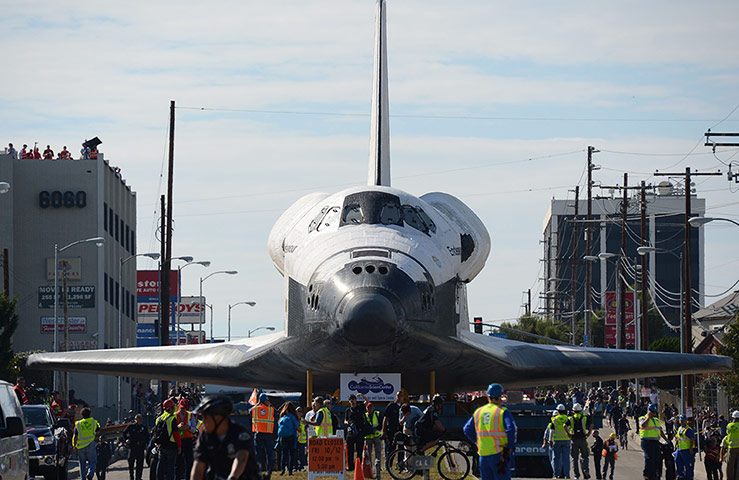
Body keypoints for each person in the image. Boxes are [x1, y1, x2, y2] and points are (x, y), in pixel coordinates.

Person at [191, 395, 259, 480]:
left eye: (206, 417)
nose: (203, 421)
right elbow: (198, 468)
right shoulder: (205, 437)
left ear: (218, 419)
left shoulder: (240, 433)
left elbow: (241, 458)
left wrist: (232, 477)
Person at [463, 383, 517, 480]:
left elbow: (466, 429)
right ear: (501, 397)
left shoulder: (479, 411)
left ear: (488, 397)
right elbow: (511, 429)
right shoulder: (503, 411)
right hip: (499, 454)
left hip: (483, 455)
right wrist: (509, 446)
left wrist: (476, 441)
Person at [155, 398, 182, 480]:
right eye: (173, 408)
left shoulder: (158, 419)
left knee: (160, 464)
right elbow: (176, 434)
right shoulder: (172, 419)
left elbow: (156, 433)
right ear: (169, 408)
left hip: (162, 445)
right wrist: (179, 446)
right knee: (171, 466)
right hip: (171, 445)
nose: (174, 409)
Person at [639, 403, 668, 480]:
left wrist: (666, 439)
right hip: (646, 442)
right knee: (649, 458)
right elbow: (643, 425)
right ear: (648, 411)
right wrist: (648, 417)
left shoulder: (656, 420)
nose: (654, 414)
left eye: (654, 412)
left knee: (657, 459)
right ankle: (646, 474)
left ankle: (655, 475)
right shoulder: (642, 418)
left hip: (655, 442)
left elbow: (660, 431)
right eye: (652, 412)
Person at [250, 393, 275, 478]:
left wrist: (257, 404)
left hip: (259, 434)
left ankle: (258, 469)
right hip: (268, 434)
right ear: (266, 401)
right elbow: (277, 414)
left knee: (258, 453)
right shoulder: (271, 410)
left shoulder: (255, 409)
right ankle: (269, 470)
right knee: (269, 453)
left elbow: (249, 412)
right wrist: (270, 405)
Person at [73, 407, 101, 480]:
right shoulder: (93, 422)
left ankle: (83, 478)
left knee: (82, 464)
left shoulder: (78, 424)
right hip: (90, 444)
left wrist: (74, 446)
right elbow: (98, 431)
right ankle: (90, 473)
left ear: (82, 415)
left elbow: (75, 436)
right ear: (89, 414)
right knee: (92, 461)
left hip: (81, 446)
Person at [343, 393, 369, 469]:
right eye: (350, 400)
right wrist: (348, 423)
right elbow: (345, 420)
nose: (352, 401)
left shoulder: (360, 407)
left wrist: (361, 395)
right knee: (350, 450)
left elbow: (367, 401)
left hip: (359, 432)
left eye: (353, 399)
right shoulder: (348, 410)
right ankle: (350, 466)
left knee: (359, 450)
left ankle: (358, 465)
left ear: (356, 400)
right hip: (351, 432)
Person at [569, 402, 592, 479]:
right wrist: (589, 433)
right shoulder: (584, 417)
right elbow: (591, 425)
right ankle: (585, 469)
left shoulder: (571, 418)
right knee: (584, 456)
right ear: (580, 410)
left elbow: (565, 425)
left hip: (574, 439)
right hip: (582, 438)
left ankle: (576, 475)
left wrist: (568, 433)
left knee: (574, 458)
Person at [175, 398, 197, 480]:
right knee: (178, 463)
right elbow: (172, 429)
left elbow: (194, 429)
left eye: (184, 408)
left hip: (188, 440)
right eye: (181, 408)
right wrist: (178, 427)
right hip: (178, 440)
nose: (182, 410)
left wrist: (188, 427)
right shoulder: (175, 415)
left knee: (189, 462)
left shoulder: (190, 415)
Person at [123, 413, 149, 480]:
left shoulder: (144, 428)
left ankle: (138, 477)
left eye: (141, 419)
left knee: (140, 464)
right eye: (138, 419)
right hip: (133, 447)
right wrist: (127, 439)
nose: (140, 420)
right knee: (131, 462)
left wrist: (147, 446)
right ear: (135, 419)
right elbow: (124, 433)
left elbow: (147, 437)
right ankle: (131, 476)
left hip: (140, 447)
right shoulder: (131, 427)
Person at [549, 404, 572, 479]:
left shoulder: (555, 419)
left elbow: (551, 431)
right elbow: (572, 428)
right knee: (566, 459)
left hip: (557, 440)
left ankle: (556, 475)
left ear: (558, 411)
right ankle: (567, 475)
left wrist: (550, 440)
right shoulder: (567, 418)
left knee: (556, 458)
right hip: (566, 440)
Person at [277, 401, 299, 475]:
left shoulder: (282, 417)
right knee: (291, 454)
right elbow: (298, 428)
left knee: (284, 453)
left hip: (283, 437)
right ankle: (290, 470)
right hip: (291, 436)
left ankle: (282, 469)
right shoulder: (292, 416)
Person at [382, 391, 402, 467]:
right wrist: (383, 430)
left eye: (401, 396)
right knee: (391, 448)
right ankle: (389, 465)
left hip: (400, 430)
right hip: (391, 430)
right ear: (396, 396)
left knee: (401, 447)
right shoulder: (391, 406)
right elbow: (385, 418)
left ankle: (400, 464)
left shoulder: (403, 406)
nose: (399, 397)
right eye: (398, 396)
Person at [674, 414, 695, 480]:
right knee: (678, 462)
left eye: (683, 421)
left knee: (688, 465)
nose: (682, 422)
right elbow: (678, 438)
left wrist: (691, 448)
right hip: (680, 449)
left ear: (686, 421)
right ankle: (680, 476)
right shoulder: (680, 428)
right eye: (681, 421)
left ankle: (689, 477)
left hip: (686, 449)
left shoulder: (688, 430)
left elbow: (692, 439)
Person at [721, 410, 739, 480]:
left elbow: (727, 433)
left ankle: (730, 478)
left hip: (732, 447)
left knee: (730, 465)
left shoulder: (729, 425)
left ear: (733, 418)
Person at [364, 402, 383, 467]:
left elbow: (381, 424)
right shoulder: (364, 415)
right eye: (368, 408)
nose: (370, 409)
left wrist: (376, 429)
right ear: (367, 408)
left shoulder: (377, 414)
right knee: (368, 453)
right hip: (368, 436)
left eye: (371, 407)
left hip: (376, 435)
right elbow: (364, 425)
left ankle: (378, 466)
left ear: (373, 408)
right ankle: (369, 466)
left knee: (378, 452)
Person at [295, 406, 308, 471]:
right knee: (295, 454)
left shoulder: (304, 421)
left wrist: (307, 440)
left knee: (301, 454)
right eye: (298, 411)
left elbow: (306, 430)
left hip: (302, 440)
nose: (299, 413)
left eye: (300, 412)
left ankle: (301, 466)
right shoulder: (294, 420)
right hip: (295, 439)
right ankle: (295, 466)